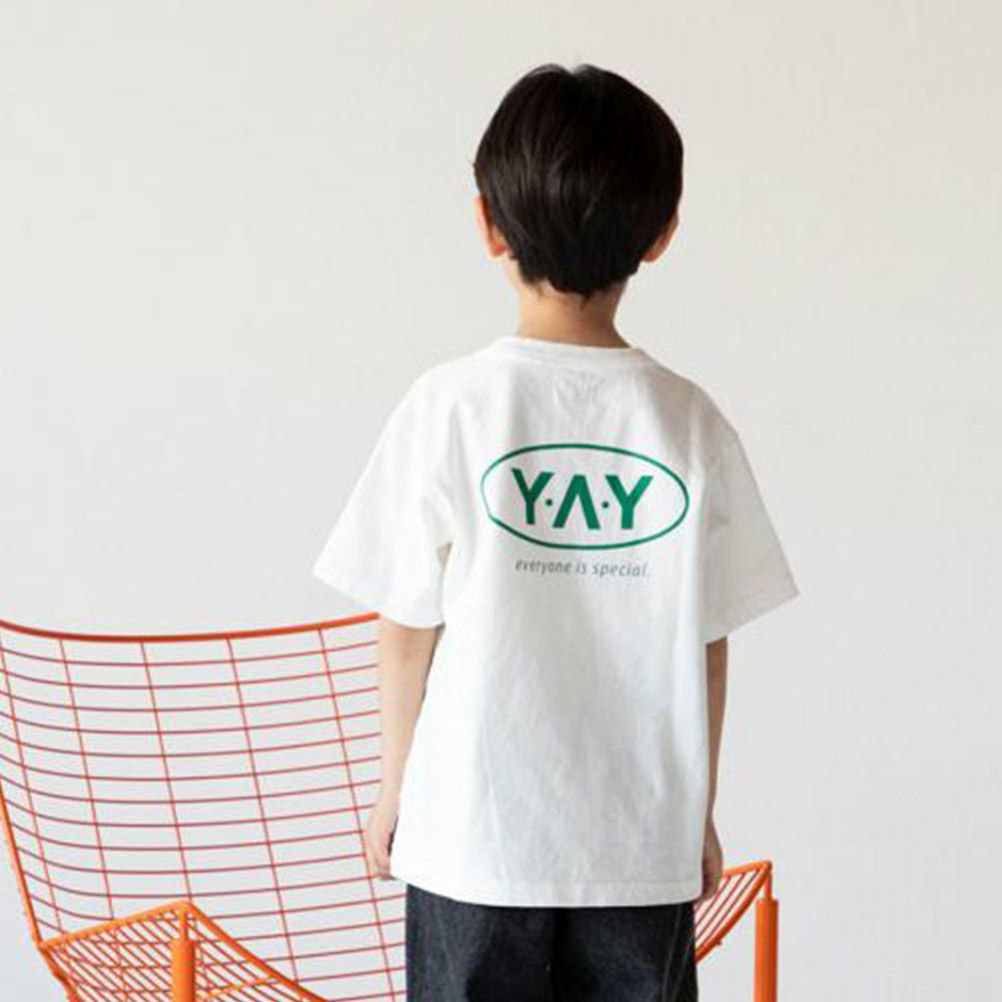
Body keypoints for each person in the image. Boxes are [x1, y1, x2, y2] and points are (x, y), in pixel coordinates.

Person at [312, 61, 800, 1002]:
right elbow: (707, 641)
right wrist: (696, 809)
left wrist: (396, 787)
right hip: (637, 845)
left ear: (488, 224)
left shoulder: (451, 405)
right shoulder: (690, 423)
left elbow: (406, 627)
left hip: (471, 838)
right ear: (661, 234)